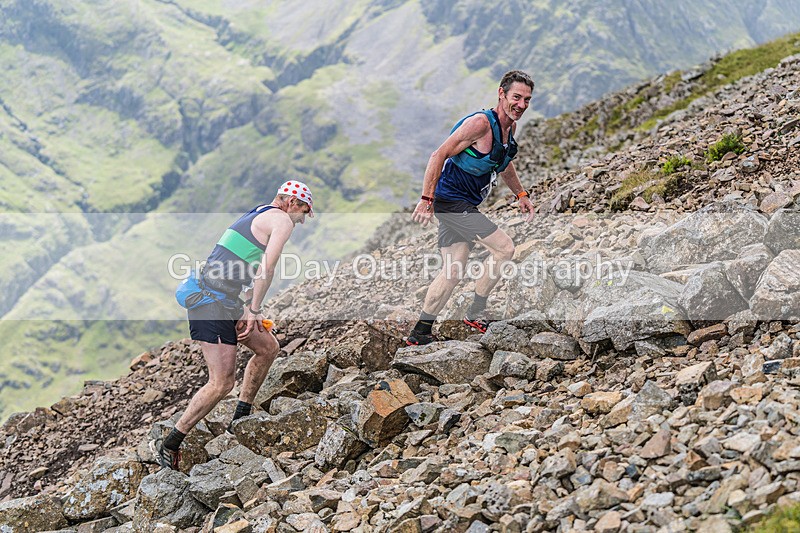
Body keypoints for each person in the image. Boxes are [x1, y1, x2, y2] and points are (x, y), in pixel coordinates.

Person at [155, 180, 314, 469]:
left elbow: (232, 264)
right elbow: (266, 268)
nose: (302, 220)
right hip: (210, 303)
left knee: (268, 347)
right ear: (291, 202)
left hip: (225, 297)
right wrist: (253, 309)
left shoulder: (258, 212)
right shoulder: (281, 220)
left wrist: (244, 306)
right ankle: (171, 442)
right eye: (303, 211)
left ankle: (240, 418)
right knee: (221, 383)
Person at [407, 70, 535, 345]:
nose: (522, 105)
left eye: (527, 100)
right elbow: (438, 154)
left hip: (459, 203)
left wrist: (520, 194)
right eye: (516, 97)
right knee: (505, 248)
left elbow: (503, 162)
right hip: (451, 202)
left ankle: (419, 333)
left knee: (453, 271)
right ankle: (475, 313)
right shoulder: (480, 124)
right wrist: (426, 199)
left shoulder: (508, 127)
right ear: (501, 94)